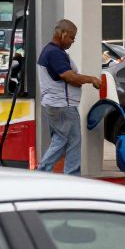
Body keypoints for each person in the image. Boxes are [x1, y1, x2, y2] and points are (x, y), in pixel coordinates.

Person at [36, 19, 101, 176]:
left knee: (61, 141)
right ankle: (69, 176)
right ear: (62, 33)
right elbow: (69, 76)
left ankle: (42, 173)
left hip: (56, 105)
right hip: (62, 106)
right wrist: (91, 79)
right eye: (71, 37)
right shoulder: (54, 53)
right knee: (71, 143)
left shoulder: (51, 51)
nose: (72, 41)